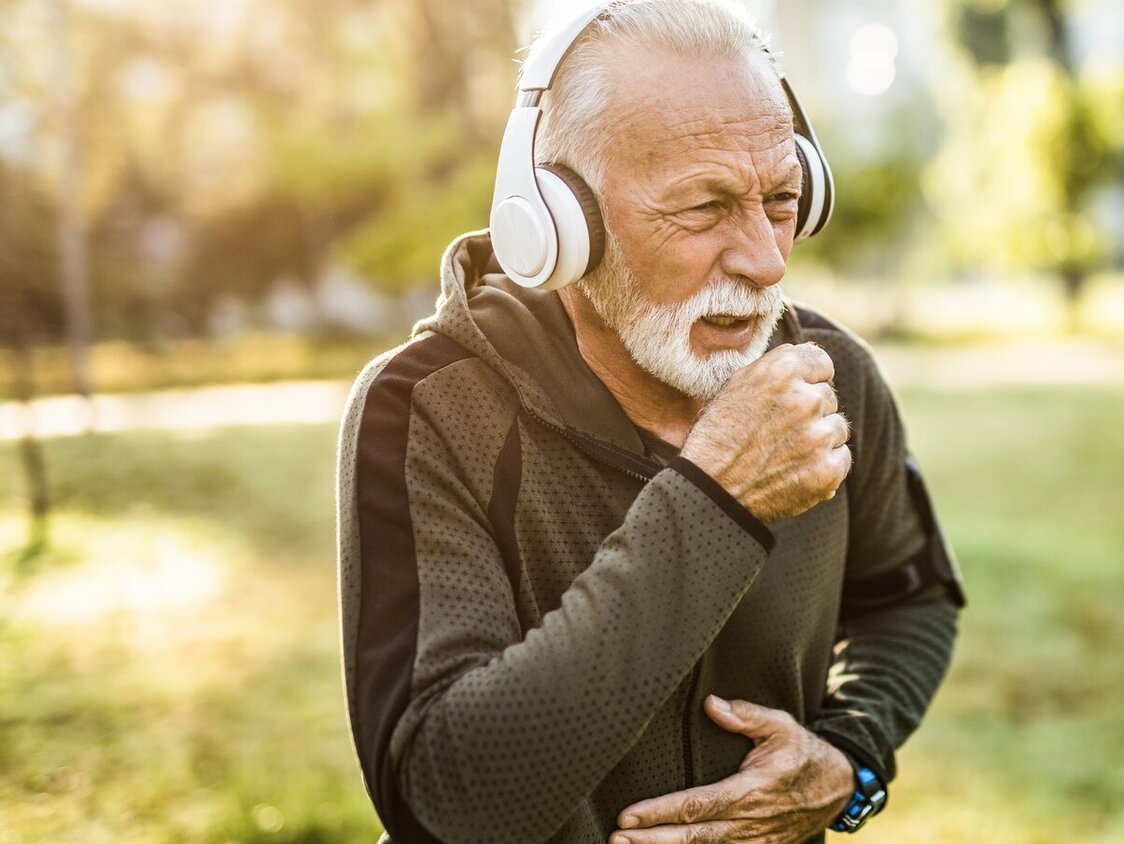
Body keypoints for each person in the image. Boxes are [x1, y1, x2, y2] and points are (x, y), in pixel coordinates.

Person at [335, 2, 965, 842]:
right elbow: (447, 799)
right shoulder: (425, 411)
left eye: (780, 198)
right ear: (558, 223)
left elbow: (911, 600)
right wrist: (715, 500)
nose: (765, 259)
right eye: (704, 208)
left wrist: (851, 758)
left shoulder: (832, 374)